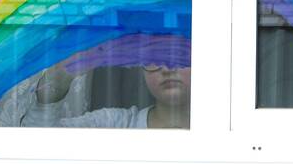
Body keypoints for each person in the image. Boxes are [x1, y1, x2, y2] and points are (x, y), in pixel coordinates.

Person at [17, 54, 191, 129]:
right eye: (154, 59)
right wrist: (63, 73)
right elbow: (36, 139)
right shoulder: (114, 125)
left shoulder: (217, 134)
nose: (168, 69)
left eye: (181, 57)